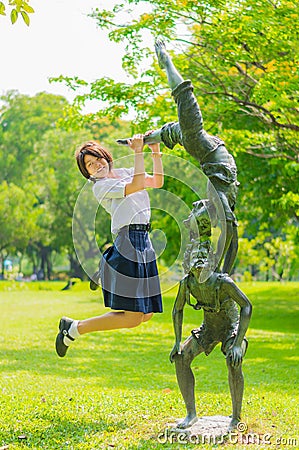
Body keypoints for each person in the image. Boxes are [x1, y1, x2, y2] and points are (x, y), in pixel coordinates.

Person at [117, 41, 239, 275]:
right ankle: (167, 63)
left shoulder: (215, 197)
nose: (195, 211)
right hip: (210, 151)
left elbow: (229, 231)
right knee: (183, 102)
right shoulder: (218, 201)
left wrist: (223, 271)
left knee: (182, 106)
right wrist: (225, 271)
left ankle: (167, 63)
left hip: (209, 151)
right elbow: (230, 232)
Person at [55, 134, 164, 358]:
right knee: (133, 318)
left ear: (106, 157)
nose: (96, 166)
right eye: (90, 165)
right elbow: (136, 185)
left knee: (147, 314)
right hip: (128, 241)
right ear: (87, 173)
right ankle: (75, 327)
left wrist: (154, 152)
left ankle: (74, 326)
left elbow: (158, 182)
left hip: (145, 240)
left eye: (97, 160)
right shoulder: (101, 187)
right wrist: (137, 152)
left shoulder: (124, 173)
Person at [169, 200, 252, 431]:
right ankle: (191, 414)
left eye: (201, 265)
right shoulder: (188, 283)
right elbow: (177, 309)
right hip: (208, 328)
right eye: (193, 266)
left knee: (233, 361)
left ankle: (236, 418)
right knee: (181, 357)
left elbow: (246, 306)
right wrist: (177, 341)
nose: (197, 269)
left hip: (231, 328)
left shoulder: (222, 282)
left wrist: (237, 343)